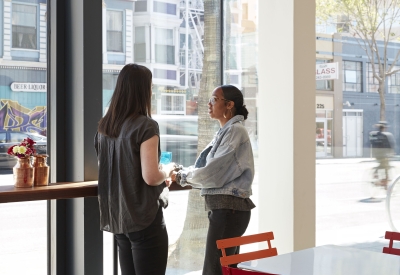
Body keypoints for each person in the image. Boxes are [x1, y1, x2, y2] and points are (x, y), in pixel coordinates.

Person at [94, 63, 176, 275]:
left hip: (118, 217)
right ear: (143, 90)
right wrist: (167, 170)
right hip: (143, 217)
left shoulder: (104, 126)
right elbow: (150, 176)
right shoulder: (146, 125)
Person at [172, 84, 255, 275]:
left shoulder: (234, 131)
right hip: (228, 211)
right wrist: (182, 171)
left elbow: (213, 174)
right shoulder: (226, 131)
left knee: (215, 271)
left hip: (229, 211)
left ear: (229, 105)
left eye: (214, 99)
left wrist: (180, 176)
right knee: (224, 271)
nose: (209, 104)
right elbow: (207, 167)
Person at [370, 121, 396, 186]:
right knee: (386, 166)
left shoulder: (374, 134)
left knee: (382, 164)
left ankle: (376, 173)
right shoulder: (386, 135)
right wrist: (392, 153)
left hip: (376, 154)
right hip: (384, 155)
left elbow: (371, 143)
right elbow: (390, 145)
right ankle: (386, 182)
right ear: (384, 128)